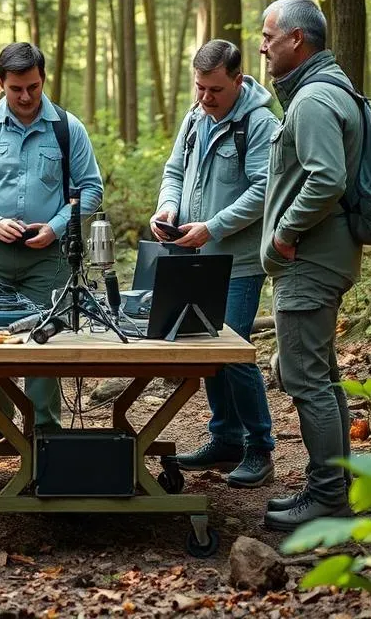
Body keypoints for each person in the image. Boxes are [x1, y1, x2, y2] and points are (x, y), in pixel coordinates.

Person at [0, 42, 104, 450]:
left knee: (46, 339)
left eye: (33, 87)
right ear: (0, 82)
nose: (25, 96)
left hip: (48, 256)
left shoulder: (67, 129)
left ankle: (44, 426)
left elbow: (91, 189)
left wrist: (55, 228)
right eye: (16, 88)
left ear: (43, 80)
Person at [151, 39, 279, 488]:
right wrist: (168, 209)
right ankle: (225, 437)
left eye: (215, 90)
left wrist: (214, 226)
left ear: (238, 81)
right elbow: (173, 173)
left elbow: (264, 191)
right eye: (200, 88)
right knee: (206, 349)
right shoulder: (193, 118)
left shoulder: (260, 124)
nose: (205, 98)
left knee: (235, 351)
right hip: (193, 255)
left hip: (239, 260)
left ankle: (260, 446)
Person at [258, 0, 363, 531]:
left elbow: (326, 177)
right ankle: (333, 486)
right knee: (322, 377)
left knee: (305, 379)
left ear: (296, 39)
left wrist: (284, 233)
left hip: (310, 262)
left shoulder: (313, 100)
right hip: (322, 258)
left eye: (269, 35)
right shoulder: (326, 90)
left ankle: (326, 497)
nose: (262, 45)